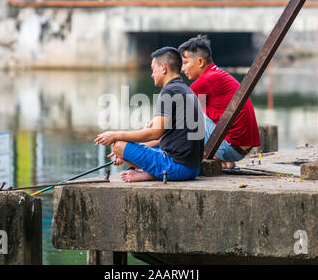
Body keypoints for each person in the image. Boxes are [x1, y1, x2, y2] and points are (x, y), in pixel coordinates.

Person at [95, 47, 205, 182]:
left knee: (118, 145)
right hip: (192, 169)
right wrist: (129, 153)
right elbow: (160, 138)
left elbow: (155, 133)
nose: (152, 74)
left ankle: (151, 173)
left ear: (163, 68)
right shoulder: (185, 90)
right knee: (135, 147)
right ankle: (150, 173)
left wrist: (115, 135)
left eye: (153, 69)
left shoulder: (168, 91)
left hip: (176, 168)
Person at [178, 35, 261, 169]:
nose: (182, 69)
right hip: (240, 148)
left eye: (185, 62)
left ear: (200, 62)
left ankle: (216, 155)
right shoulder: (218, 74)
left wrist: (149, 139)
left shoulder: (206, 80)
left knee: (184, 118)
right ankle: (221, 159)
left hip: (230, 147)